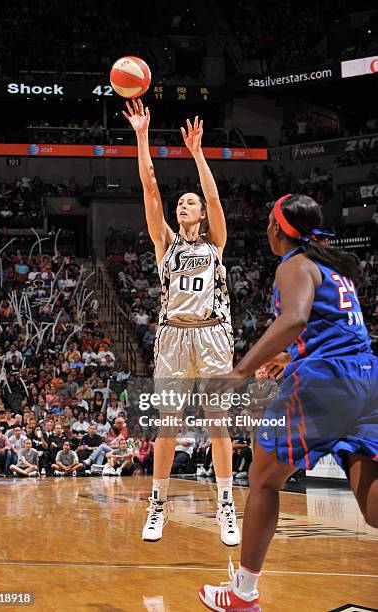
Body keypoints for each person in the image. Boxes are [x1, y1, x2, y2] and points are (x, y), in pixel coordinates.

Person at [199, 194, 378, 610]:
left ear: (278, 229)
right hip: (366, 378)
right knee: (370, 504)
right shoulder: (332, 268)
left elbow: (294, 318)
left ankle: (243, 595)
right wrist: (286, 356)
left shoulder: (294, 264)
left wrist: (240, 371)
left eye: (268, 223)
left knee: (263, 481)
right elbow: (331, 330)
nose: (266, 229)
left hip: (327, 381)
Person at [123, 99, 239, 546]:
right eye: (182, 202)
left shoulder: (216, 243)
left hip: (212, 334)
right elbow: (150, 186)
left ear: (202, 214)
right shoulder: (165, 243)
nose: (186, 204)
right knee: (167, 425)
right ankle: (158, 505)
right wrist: (141, 134)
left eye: (191, 202)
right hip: (173, 336)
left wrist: (197, 153)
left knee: (219, 424)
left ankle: (226, 507)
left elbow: (212, 195)